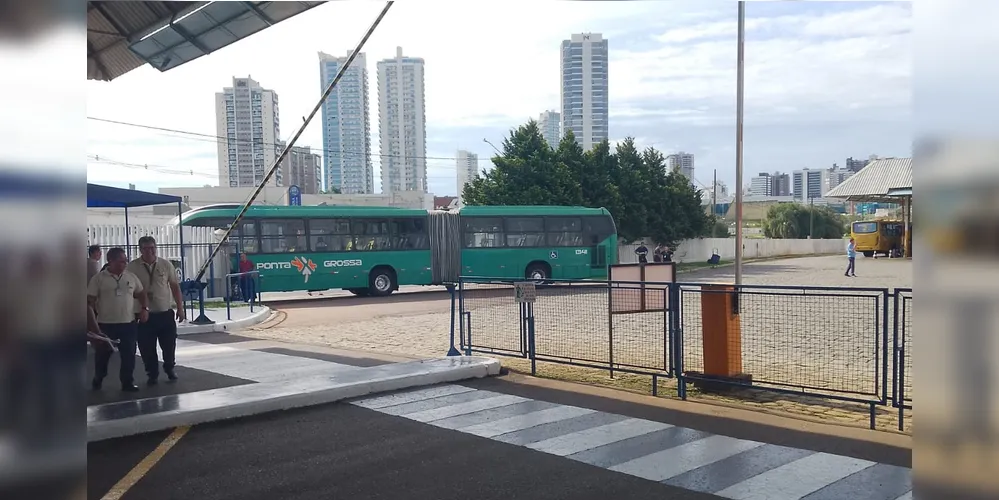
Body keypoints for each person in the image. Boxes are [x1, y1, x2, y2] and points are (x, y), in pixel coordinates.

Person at [88, 247, 149, 391]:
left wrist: (144, 309)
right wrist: (94, 327)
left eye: (125, 261)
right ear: (110, 261)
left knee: (129, 355)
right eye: (121, 261)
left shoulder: (131, 277)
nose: (125, 264)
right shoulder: (99, 279)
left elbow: (141, 293)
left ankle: (127, 382)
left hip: (128, 324)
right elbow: (89, 302)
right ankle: (99, 377)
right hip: (106, 325)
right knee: (102, 356)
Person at [127, 236, 185, 385]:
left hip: (164, 312)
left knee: (169, 344)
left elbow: (174, 287)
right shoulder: (132, 267)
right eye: (146, 248)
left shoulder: (165, 265)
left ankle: (169, 367)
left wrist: (180, 308)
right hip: (143, 314)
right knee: (146, 347)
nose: (150, 251)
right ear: (140, 250)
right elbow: (128, 290)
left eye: (152, 248)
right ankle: (152, 373)